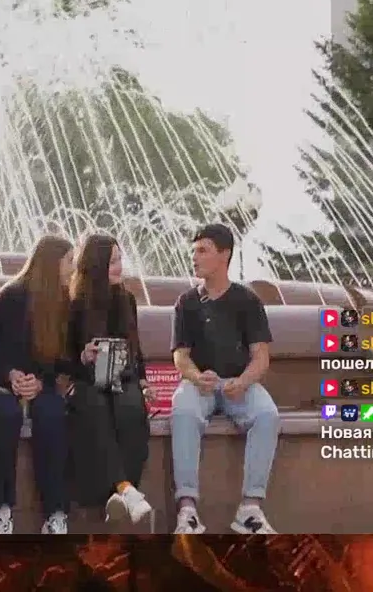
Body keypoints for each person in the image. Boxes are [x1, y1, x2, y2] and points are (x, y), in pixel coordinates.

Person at [169, 223, 279, 534]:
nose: (194, 257)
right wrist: (195, 376)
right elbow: (180, 356)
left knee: (267, 415)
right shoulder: (186, 302)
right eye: (193, 251)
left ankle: (250, 509)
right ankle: (187, 510)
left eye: (202, 251)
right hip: (199, 385)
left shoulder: (247, 300)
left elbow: (261, 356)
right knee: (183, 411)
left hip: (239, 385)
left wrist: (242, 382)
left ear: (224, 255)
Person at [0, 233, 74, 534]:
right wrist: (10, 373)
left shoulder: (65, 302)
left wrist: (41, 382)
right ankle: (2, 509)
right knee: (6, 414)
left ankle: (55, 513)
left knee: (52, 414)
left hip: (40, 385)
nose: (73, 268)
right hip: (1, 382)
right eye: (69, 261)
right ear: (52, 263)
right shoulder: (13, 294)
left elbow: (65, 360)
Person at [65, 233, 155, 526]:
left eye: (120, 259)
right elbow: (61, 358)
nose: (119, 266)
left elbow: (135, 348)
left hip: (121, 378)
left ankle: (123, 494)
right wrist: (83, 356)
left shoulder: (126, 299)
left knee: (132, 406)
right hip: (85, 382)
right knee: (95, 406)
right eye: (113, 261)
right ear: (97, 264)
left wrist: (143, 380)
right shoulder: (75, 303)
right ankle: (126, 489)